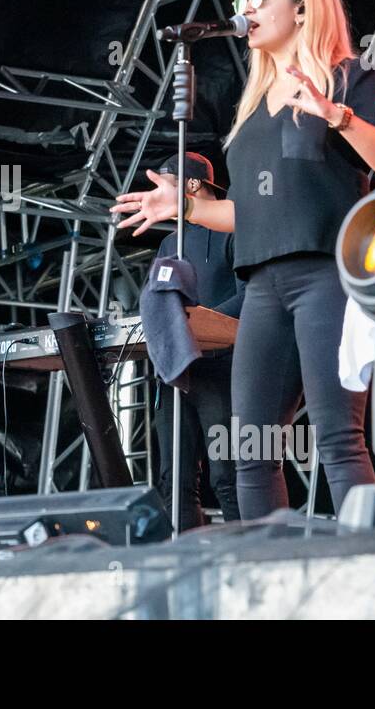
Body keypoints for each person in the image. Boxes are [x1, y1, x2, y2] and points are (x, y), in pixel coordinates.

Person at [112, 0, 375, 520]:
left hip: (328, 275)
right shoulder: (250, 111)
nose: (247, 9)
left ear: (303, 8)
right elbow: (250, 214)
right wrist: (187, 209)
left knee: (338, 438)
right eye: (242, 0)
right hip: (262, 288)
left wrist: (338, 116)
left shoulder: (352, 78)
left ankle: (372, 568)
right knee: (249, 448)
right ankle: (265, 579)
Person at [148, 151, 243, 528]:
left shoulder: (233, 228)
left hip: (223, 366)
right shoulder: (169, 244)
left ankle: (254, 559)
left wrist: (199, 321)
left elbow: (253, 295)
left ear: (191, 185)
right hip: (177, 369)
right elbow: (157, 298)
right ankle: (183, 564)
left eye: (165, 186)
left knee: (229, 476)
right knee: (175, 480)